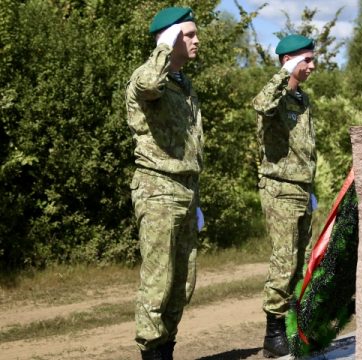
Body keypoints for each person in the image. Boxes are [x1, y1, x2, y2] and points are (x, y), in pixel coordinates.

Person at [126, 7, 202, 359]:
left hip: (185, 188)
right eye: (188, 34)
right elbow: (149, 85)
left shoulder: (184, 85)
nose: (196, 39)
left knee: (182, 282)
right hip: (157, 187)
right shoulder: (147, 75)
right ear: (170, 38)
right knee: (158, 282)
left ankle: (166, 348)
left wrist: (194, 195)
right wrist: (163, 47)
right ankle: (152, 352)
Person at [252, 34, 317, 357]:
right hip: (280, 188)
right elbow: (261, 103)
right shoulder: (275, 96)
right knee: (284, 260)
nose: (312, 66)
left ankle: (292, 325)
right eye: (305, 60)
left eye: (312, 59)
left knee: (302, 262)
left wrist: (311, 187)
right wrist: (283, 74)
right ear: (287, 61)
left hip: (302, 189)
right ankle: (273, 333)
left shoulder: (302, 100)